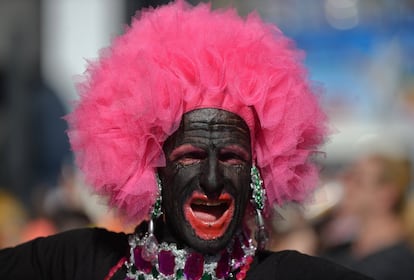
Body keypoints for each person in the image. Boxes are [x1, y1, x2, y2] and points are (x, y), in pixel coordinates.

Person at [0, 1, 372, 279]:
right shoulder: (83, 261)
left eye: (231, 157)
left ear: (258, 174)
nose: (212, 181)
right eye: (191, 155)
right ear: (151, 169)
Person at [322, 151, 414, 280]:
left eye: (358, 180)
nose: (346, 185)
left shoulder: (400, 263)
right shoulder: (343, 249)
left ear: (386, 195)